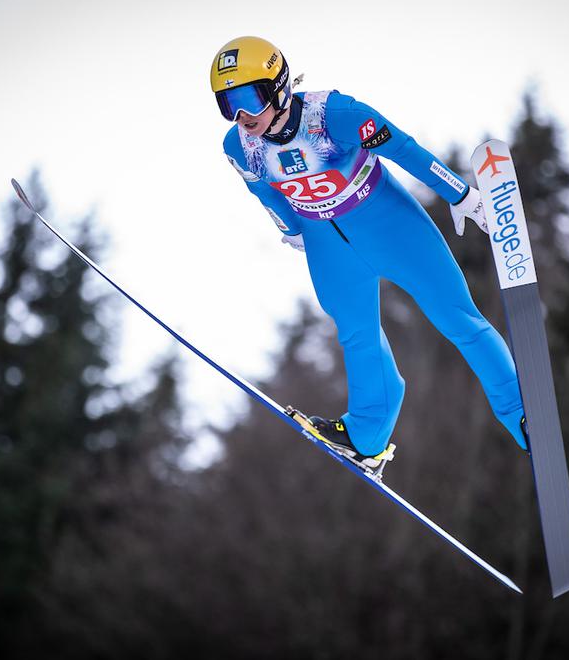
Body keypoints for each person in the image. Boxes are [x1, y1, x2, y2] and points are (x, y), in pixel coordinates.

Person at [211, 36, 527, 468]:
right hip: (325, 243)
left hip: (388, 224)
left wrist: (461, 196)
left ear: (279, 86)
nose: (242, 117)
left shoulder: (335, 115)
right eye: (229, 105)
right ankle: (366, 436)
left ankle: (520, 413)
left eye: (249, 98)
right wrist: (293, 232)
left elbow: (403, 149)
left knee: (457, 316)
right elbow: (264, 192)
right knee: (356, 334)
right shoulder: (239, 147)